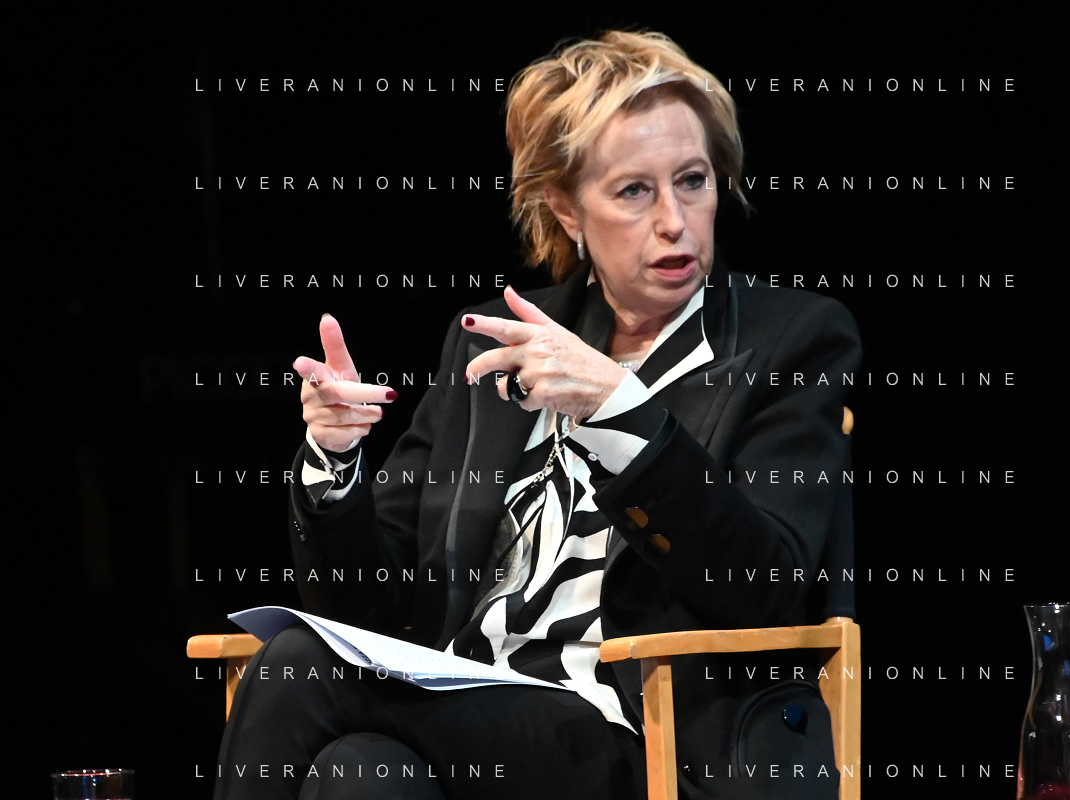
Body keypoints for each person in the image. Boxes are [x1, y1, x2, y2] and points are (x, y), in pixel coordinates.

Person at [214, 30, 861, 800]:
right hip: (471, 713)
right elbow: (369, 606)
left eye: (692, 180)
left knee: (295, 667)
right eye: (633, 191)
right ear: (565, 209)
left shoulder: (789, 338)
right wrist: (334, 459)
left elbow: (764, 584)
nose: (674, 220)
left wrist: (618, 410)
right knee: (359, 775)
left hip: (641, 739)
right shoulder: (490, 345)